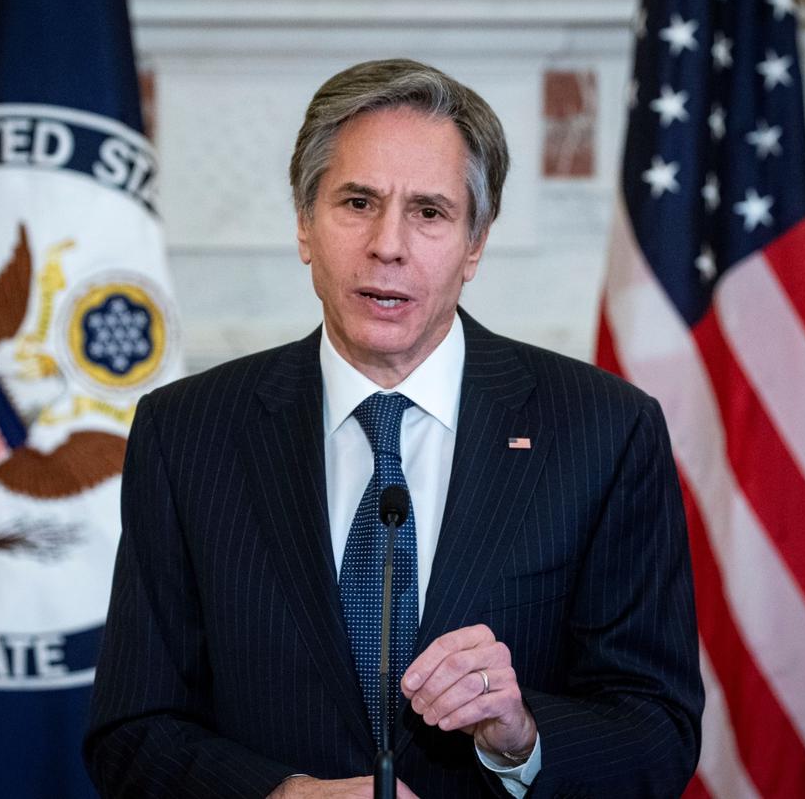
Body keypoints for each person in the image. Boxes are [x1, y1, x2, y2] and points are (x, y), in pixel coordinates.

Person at [84, 59, 702, 798]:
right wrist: (282, 796)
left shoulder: (605, 431)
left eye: (430, 212)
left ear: (475, 243)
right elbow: (132, 731)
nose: (388, 244)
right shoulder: (186, 433)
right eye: (357, 202)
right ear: (305, 224)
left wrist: (522, 737)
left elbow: (658, 731)